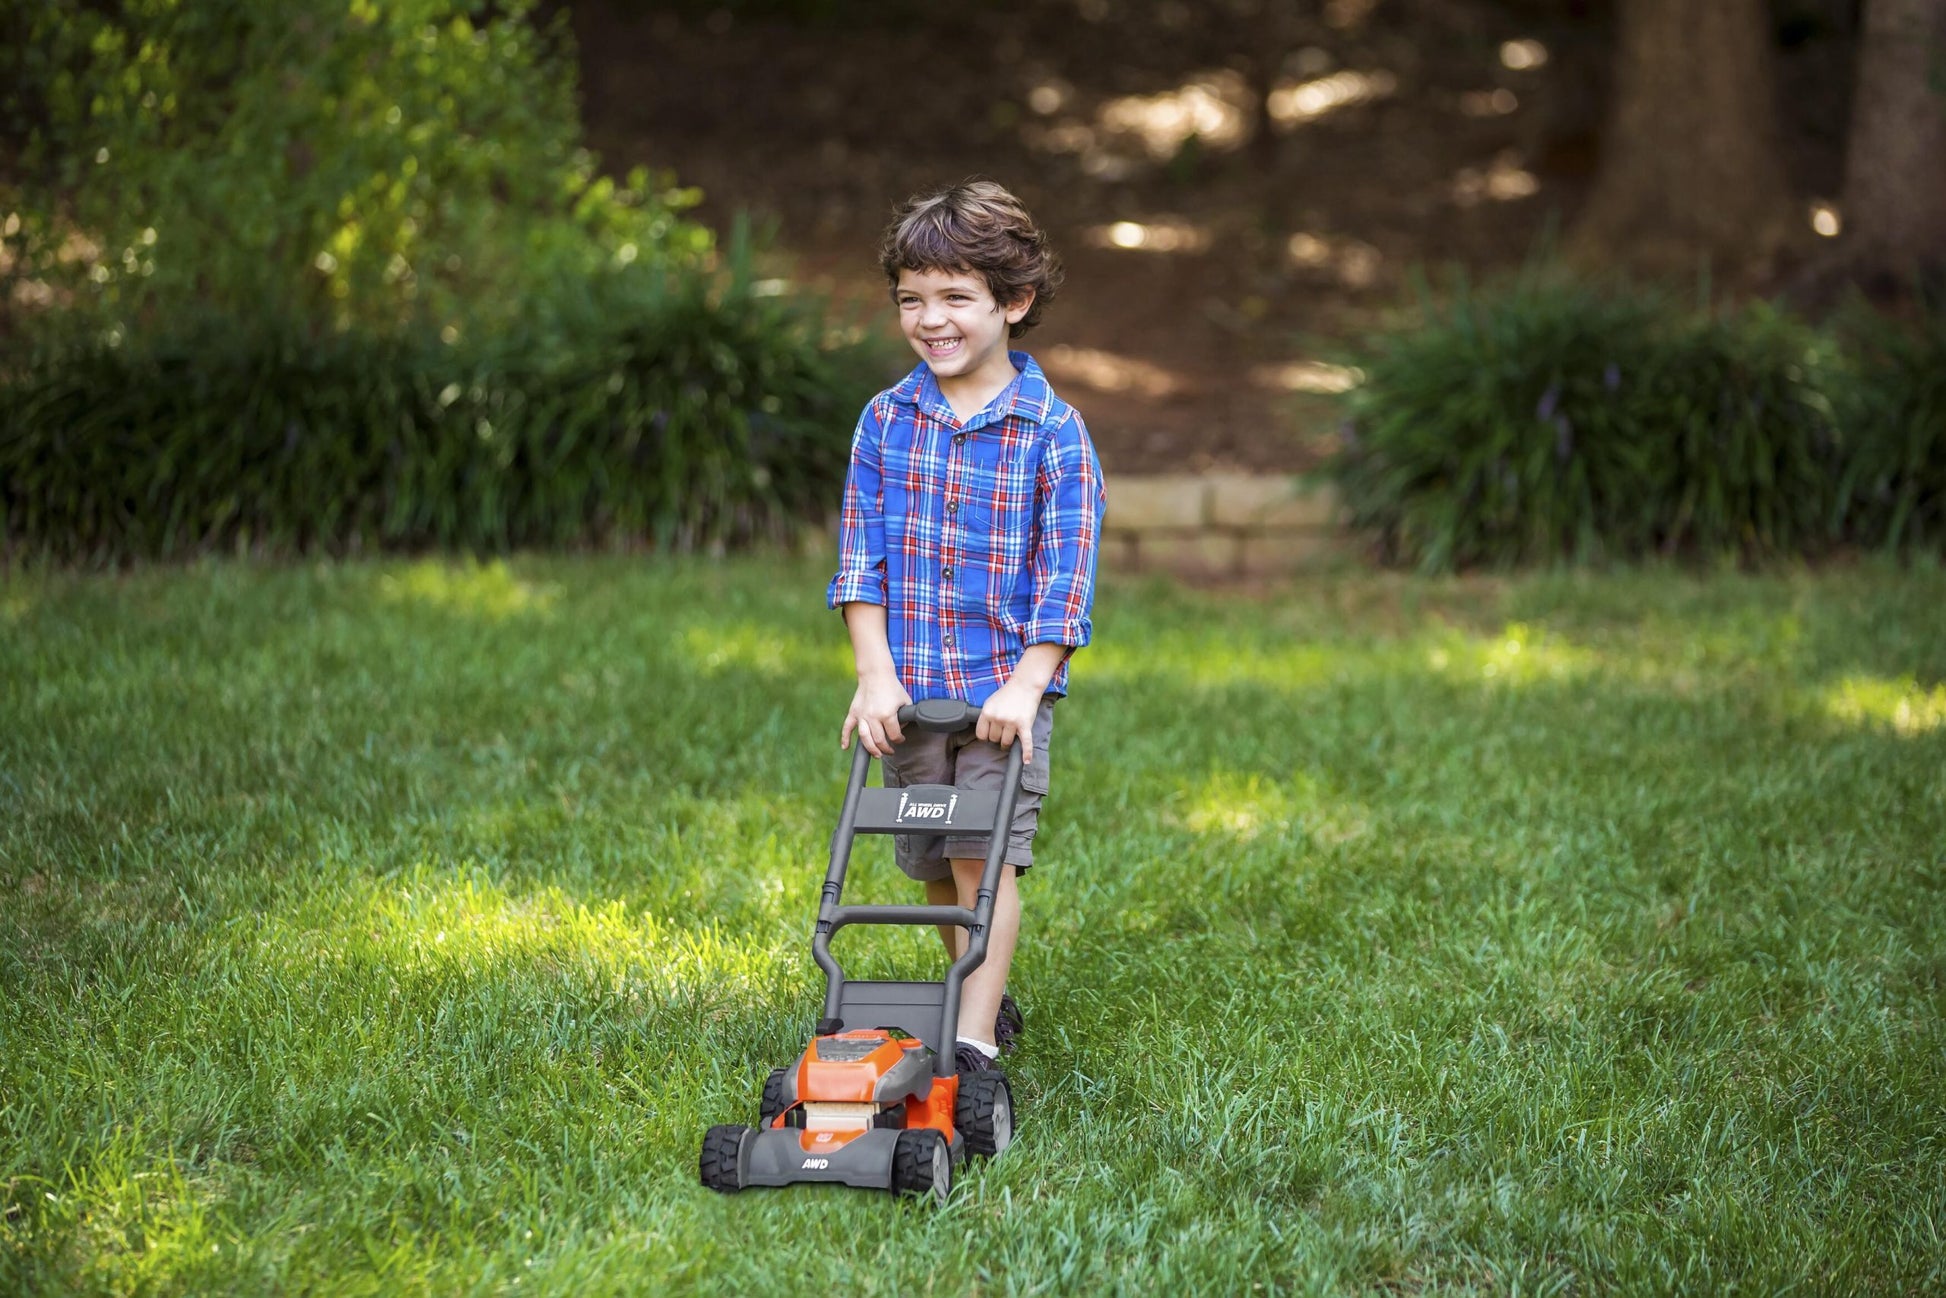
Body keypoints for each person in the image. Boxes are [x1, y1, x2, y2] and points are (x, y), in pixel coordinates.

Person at [827, 178, 1105, 1076]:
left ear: (1013, 302)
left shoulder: (1052, 433)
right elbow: (858, 559)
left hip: (999, 694)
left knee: (985, 858)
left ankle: (973, 1040)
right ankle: (977, 989)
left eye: (955, 297)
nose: (930, 319)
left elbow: (1065, 581)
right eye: (912, 299)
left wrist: (1027, 685)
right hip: (912, 690)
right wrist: (874, 675)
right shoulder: (885, 421)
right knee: (932, 861)